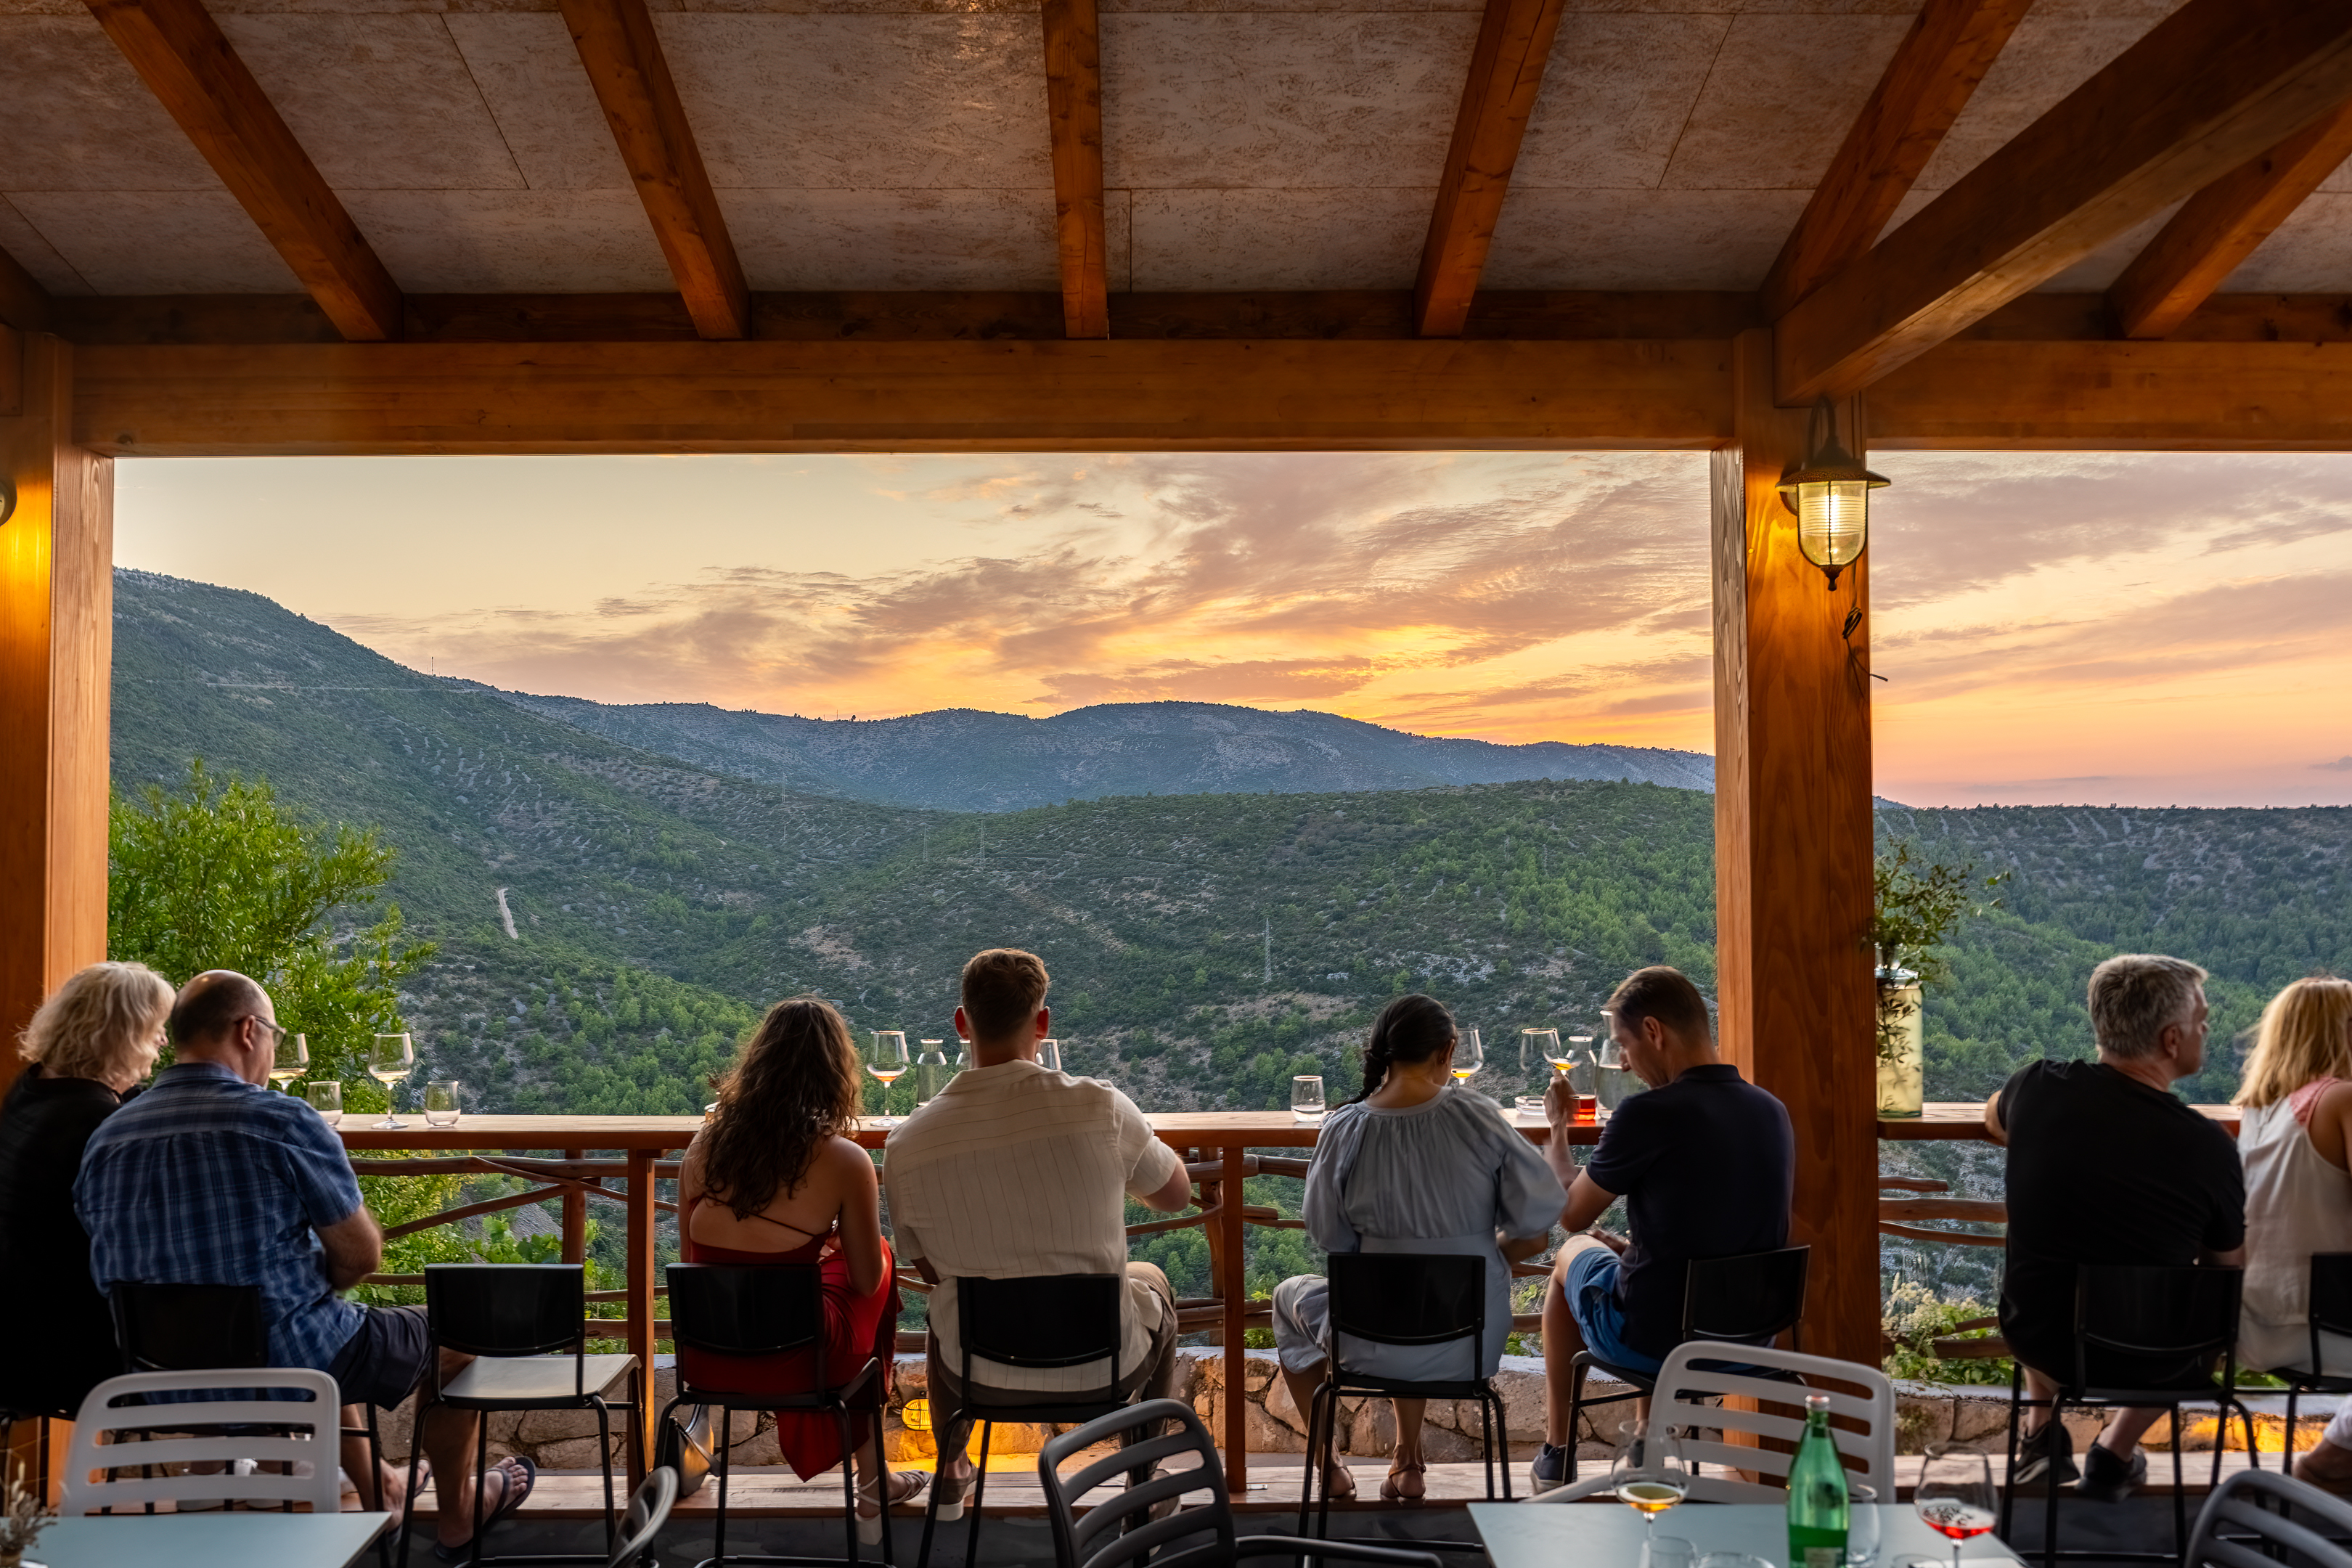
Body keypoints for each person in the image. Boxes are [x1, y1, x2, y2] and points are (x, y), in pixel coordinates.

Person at [75, 971, 528, 1556]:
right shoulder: (280, 1121)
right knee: (455, 1332)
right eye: (273, 1034)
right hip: (287, 1368)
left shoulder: (106, 1137)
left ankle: (382, 1490)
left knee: (321, 1324)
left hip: (159, 1379)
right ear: (248, 1031)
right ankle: (458, 1516)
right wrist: (314, 1283)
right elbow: (361, 1255)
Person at [882, 949, 1194, 1519]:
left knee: (951, 1300)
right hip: (1104, 1365)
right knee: (1151, 1279)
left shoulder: (907, 1142)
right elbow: (1176, 1196)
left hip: (978, 1371)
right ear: (1042, 1022)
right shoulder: (1100, 1105)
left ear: (962, 1023)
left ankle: (951, 1469)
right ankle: (1143, 1479)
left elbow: (928, 1269)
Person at [1270, 994, 1564, 1504]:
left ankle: (1329, 1466)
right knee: (1428, 1291)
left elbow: (1330, 1238)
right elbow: (1536, 1234)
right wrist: (1475, 1255)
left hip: (1368, 1342)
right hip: (1469, 1343)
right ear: (1447, 1052)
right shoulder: (1479, 1117)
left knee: (1291, 1297)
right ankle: (1407, 1460)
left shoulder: (1344, 1129)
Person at [1987, 953, 2245, 1504]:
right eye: (2202, 1021)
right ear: (2172, 1040)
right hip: (2157, 1361)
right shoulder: (2207, 1145)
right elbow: (2226, 1267)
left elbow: (1994, 1114)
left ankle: (2040, 1434)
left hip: (2038, 1337)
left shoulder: (2035, 1087)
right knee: (2205, 1300)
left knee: (2049, 1258)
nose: (2207, 1030)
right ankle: (2115, 1451)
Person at [1530, 965, 1794, 1493]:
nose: (1625, 1063)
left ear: (1653, 1031)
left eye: (1622, 1045)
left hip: (1657, 1343)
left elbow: (1571, 1213)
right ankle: (1647, 1440)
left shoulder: (1649, 1114)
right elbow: (1712, 1226)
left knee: (1572, 1252)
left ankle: (1557, 1452)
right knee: (1634, 1264)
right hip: (1751, 1339)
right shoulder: (1772, 1110)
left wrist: (1558, 1129)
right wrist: (1635, 1249)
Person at [678, 996, 924, 1541]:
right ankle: (873, 1480)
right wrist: (828, 1245)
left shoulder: (703, 1147)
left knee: (806, 1281)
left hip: (710, 1360)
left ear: (758, 1062)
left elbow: (694, 1263)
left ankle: (874, 1479)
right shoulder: (844, 1160)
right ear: (837, 1073)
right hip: (800, 1362)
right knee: (879, 1258)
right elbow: (866, 1282)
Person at [0, 962, 173, 1420]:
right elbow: (143, 1241)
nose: (163, 1040)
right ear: (125, 1035)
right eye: (156, 1028)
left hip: (15, 1328)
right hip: (61, 1351)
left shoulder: (35, 1085)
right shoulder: (96, 1123)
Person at [2225, 977, 2352, 1491]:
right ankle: (2327, 1460)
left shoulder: (2260, 1109)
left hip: (2254, 1322)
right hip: (2329, 1329)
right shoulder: (2341, 1099)